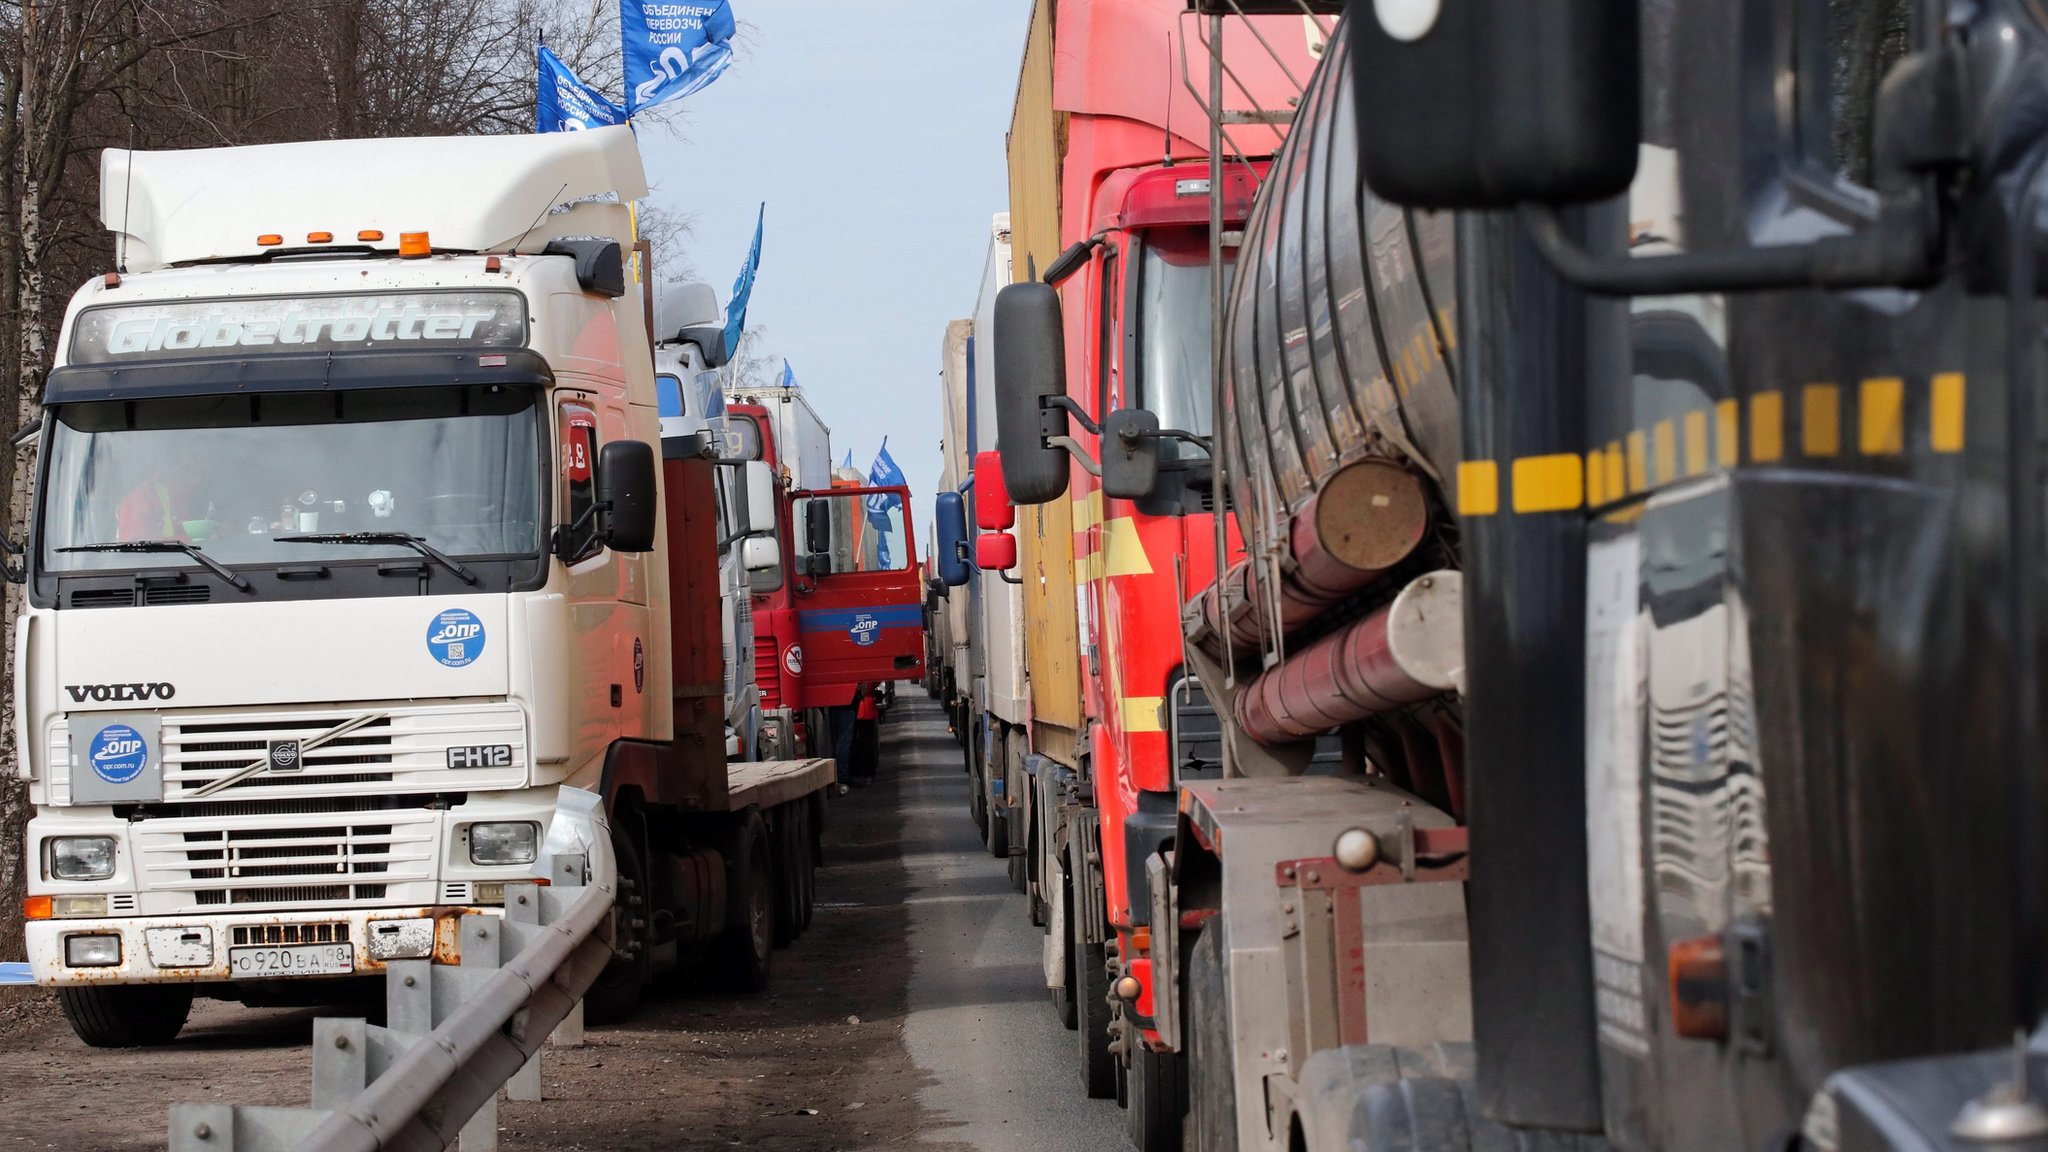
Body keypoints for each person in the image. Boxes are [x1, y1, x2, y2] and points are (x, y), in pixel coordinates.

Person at [116, 471, 210, 542]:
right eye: (194, 455)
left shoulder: (204, 492)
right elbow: (134, 549)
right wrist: (188, 540)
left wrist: (217, 537)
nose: (200, 463)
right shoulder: (142, 498)